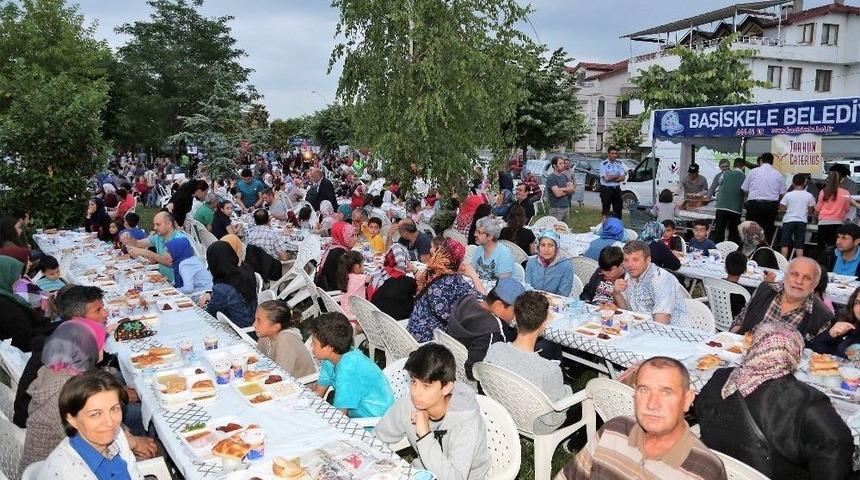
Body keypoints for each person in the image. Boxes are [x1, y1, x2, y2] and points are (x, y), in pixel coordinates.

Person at [696, 322, 852, 480]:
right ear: (796, 354)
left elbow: (700, 413)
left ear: (755, 346)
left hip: (718, 471)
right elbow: (836, 450)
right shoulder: (806, 401)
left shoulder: (721, 378)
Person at [557, 356, 726, 480]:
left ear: (688, 400)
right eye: (644, 390)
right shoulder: (614, 430)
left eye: (666, 392)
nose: (652, 404)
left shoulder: (705, 469)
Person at [22, 321, 155, 469]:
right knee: (152, 421)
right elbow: (89, 441)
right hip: (61, 468)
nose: (102, 348)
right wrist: (133, 442)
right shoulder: (64, 391)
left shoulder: (62, 369)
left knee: (148, 417)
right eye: (98, 344)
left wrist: (127, 435)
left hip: (69, 456)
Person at [375, 343, 490, 480]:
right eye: (413, 382)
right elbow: (377, 438)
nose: (416, 393)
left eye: (426, 386)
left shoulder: (467, 422)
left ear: (446, 388)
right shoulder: (408, 405)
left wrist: (424, 435)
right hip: (422, 472)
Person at [485, 291, 571, 433]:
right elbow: (559, 408)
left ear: (515, 317)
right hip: (535, 424)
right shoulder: (548, 369)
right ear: (543, 324)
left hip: (501, 410)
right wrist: (569, 391)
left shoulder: (495, 349)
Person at [41, 371, 144, 479]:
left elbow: (134, 476)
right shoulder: (70, 473)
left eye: (114, 409)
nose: (110, 423)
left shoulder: (118, 437)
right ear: (72, 419)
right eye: (95, 414)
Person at [310, 312, 394, 418]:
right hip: (356, 414)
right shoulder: (331, 359)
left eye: (314, 342)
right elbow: (318, 393)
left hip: (375, 422)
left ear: (328, 348)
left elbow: (340, 416)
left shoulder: (348, 368)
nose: (311, 345)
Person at [731, 257, 833, 343]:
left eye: (807, 278)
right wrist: (735, 338)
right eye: (794, 274)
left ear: (814, 284)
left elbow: (815, 355)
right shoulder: (765, 290)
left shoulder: (823, 316)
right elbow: (739, 320)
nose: (799, 281)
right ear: (785, 276)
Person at [447, 278, 524, 380]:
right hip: (472, 379)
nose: (515, 316)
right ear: (498, 305)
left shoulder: (466, 300)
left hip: (450, 362)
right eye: (515, 311)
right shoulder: (494, 331)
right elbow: (473, 371)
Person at [408, 239, 476, 342]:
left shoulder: (431, 270)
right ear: (457, 260)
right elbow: (482, 302)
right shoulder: (454, 281)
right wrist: (473, 275)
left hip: (413, 329)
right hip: (430, 339)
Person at [611, 241, 686, 326]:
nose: (630, 265)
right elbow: (625, 310)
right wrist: (616, 293)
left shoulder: (661, 279)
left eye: (635, 260)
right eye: (626, 260)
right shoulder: (629, 275)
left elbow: (661, 321)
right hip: (638, 328)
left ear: (648, 260)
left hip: (670, 333)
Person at [253, 300, 316, 379]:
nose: (254, 325)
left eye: (259, 321)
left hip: (300, 385)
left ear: (275, 327)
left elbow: (280, 378)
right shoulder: (266, 335)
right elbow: (257, 358)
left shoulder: (286, 340)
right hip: (274, 377)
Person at [201, 242, 257, 328]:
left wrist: (208, 301)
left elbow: (211, 313)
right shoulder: (245, 269)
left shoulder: (222, 287)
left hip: (240, 330)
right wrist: (211, 295)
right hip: (253, 321)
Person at [121, 211, 187, 283]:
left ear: (169, 223)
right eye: (155, 225)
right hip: (163, 280)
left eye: (158, 225)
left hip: (180, 284)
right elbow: (137, 243)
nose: (155, 228)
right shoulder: (159, 236)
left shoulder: (179, 239)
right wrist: (128, 236)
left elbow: (169, 262)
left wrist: (146, 252)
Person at [0, 253, 47, 350]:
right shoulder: (6, 306)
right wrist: (43, 313)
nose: (19, 280)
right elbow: (25, 334)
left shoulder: (6, 295)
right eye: (15, 276)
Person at [741, 153, 786, 244]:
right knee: (767, 232)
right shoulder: (778, 174)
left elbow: (744, 188)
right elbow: (782, 193)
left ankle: (750, 254)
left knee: (751, 233)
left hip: (754, 205)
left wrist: (753, 193)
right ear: (772, 162)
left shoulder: (753, 172)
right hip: (770, 206)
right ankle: (764, 253)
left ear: (761, 160)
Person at [368, 244, 417, 321]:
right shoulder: (406, 282)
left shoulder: (379, 273)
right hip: (397, 324)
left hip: (376, 319)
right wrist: (415, 270)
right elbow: (422, 288)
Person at [471, 217, 515, 294]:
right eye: (476, 231)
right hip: (479, 291)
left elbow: (504, 286)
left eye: (479, 232)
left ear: (490, 236)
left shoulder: (504, 254)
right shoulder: (479, 249)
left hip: (496, 296)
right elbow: (472, 271)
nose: (475, 234)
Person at [525, 230, 573, 296]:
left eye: (551, 245)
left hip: (556, 303)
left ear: (556, 248)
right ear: (538, 247)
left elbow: (563, 294)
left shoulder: (566, 266)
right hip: (533, 301)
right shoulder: (531, 262)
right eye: (543, 245)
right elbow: (527, 286)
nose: (546, 249)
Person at [779, 173, 816, 258]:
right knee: (799, 245)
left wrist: (786, 209)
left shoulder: (788, 195)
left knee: (785, 244)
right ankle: (799, 264)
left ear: (793, 183)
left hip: (788, 221)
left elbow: (781, 208)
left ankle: (782, 266)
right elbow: (811, 211)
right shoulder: (809, 195)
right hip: (802, 221)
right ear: (804, 183)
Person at [711, 158, 747, 244]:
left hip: (721, 206)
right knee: (733, 232)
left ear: (733, 165)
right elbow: (746, 191)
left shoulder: (725, 174)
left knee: (719, 230)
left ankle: (717, 249)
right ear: (744, 167)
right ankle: (732, 250)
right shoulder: (745, 177)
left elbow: (719, 183)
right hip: (735, 208)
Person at [315, 221, 357, 291]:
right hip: (333, 292)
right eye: (352, 236)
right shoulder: (341, 254)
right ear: (342, 236)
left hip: (324, 287)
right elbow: (345, 280)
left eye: (356, 235)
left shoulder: (333, 247)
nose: (356, 239)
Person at [337, 250, 366, 329]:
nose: (363, 266)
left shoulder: (346, 276)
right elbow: (370, 278)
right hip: (354, 318)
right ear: (356, 266)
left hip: (344, 313)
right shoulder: (360, 278)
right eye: (362, 264)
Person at [598, 146, 626, 219]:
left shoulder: (619, 163)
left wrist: (612, 178)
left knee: (618, 210)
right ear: (608, 154)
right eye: (612, 153)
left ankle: (617, 227)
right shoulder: (603, 164)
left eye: (616, 153)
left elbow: (623, 177)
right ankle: (606, 227)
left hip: (616, 190)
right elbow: (606, 178)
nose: (614, 155)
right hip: (606, 190)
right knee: (606, 210)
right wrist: (617, 176)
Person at [546, 156, 575, 223]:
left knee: (564, 229)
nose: (563, 165)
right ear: (554, 166)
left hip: (566, 207)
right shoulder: (551, 178)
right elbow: (558, 194)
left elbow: (572, 189)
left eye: (563, 163)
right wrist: (568, 190)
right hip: (556, 209)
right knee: (555, 229)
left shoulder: (564, 176)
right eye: (560, 163)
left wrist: (561, 189)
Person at [724, 251, 751, 317]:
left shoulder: (715, 284)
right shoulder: (744, 292)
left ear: (725, 268)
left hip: (713, 319)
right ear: (745, 271)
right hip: (736, 323)